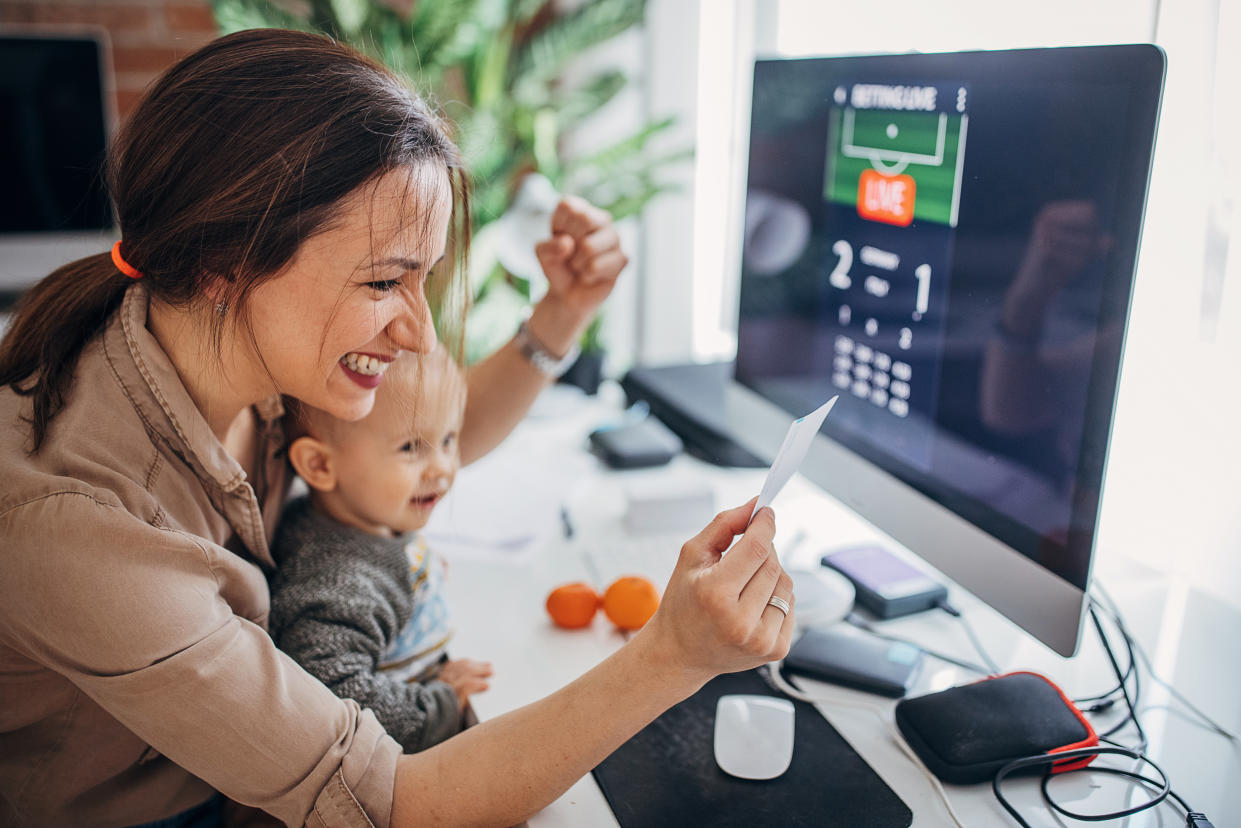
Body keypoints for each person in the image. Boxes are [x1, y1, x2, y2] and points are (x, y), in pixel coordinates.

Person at [0, 28, 795, 828]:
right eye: (384, 281)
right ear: (223, 262)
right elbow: (392, 804)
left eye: (424, 280)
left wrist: (559, 317)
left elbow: (402, 442)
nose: (416, 331)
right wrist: (674, 656)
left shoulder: (220, 338)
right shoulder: (80, 523)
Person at [270, 347, 491, 754]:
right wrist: (438, 704)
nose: (442, 466)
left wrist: (413, 567)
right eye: (411, 447)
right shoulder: (342, 581)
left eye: (448, 439)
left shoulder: (362, 519)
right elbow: (334, 694)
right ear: (319, 466)